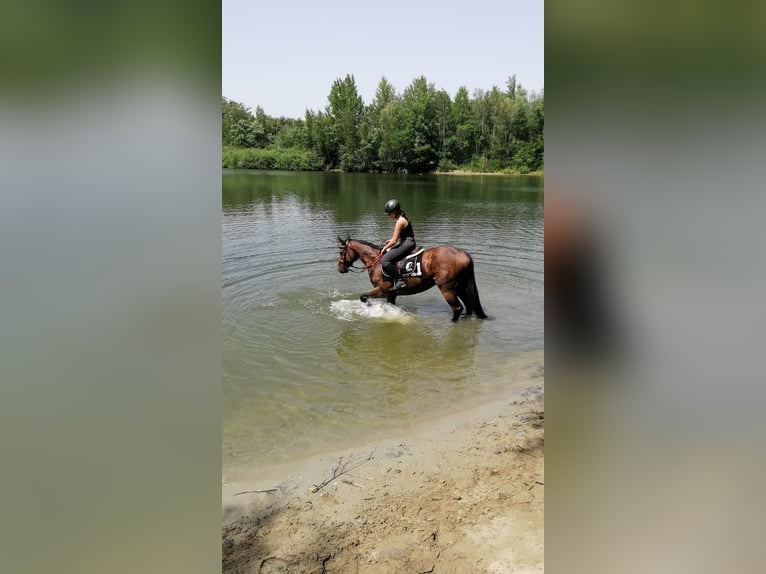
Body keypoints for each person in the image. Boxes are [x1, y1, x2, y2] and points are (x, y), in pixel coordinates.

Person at [380, 199, 416, 290]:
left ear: (395, 211)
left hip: (407, 244)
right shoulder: (403, 218)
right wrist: (389, 241)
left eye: (389, 213)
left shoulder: (400, 221)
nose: (389, 215)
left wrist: (385, 248)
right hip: (407, 242)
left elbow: (394, 241)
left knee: (384, 260)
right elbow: (395, 238)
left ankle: (399, 280)